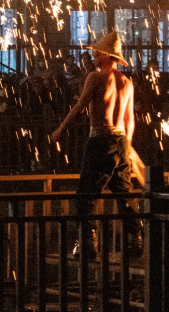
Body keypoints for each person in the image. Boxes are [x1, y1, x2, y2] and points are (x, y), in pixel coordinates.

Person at [48, 31, 141, 253]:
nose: (94, 57)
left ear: (107, 56)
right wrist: (126, 146)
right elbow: (129, 121)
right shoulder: (127, 82)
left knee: (86, 194)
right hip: (120, 141)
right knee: (124, 193)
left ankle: (88, 242)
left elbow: (79, 106)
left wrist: (61, 128)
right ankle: (135, 236)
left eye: (98, 53)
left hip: (100, 139)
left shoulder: (96, 77)